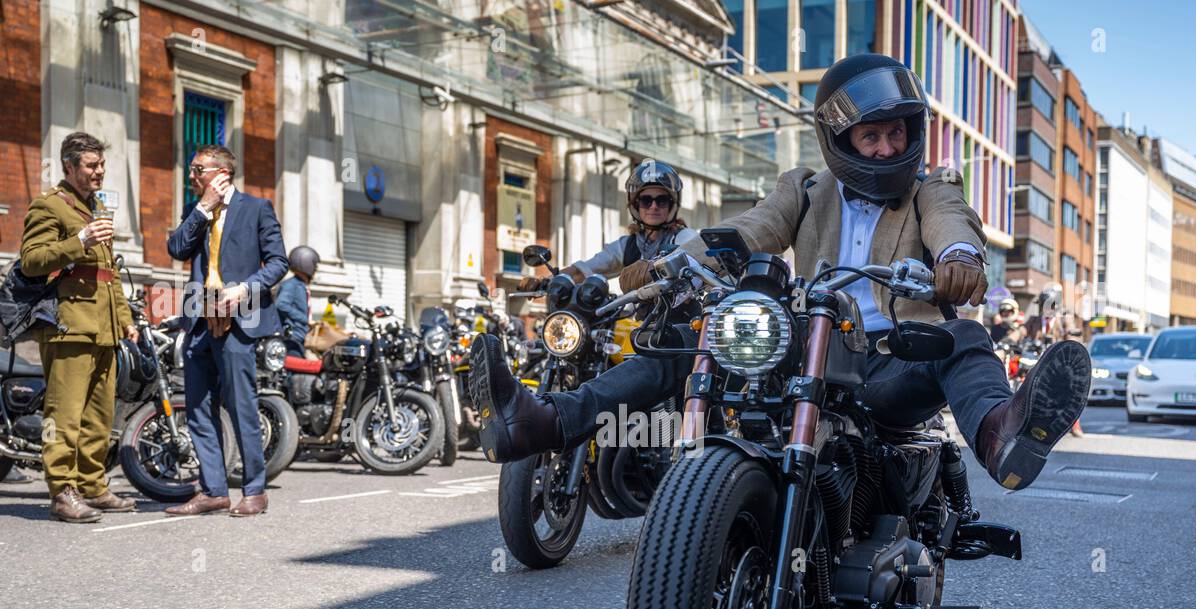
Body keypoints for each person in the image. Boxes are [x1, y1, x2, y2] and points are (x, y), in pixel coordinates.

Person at [471, 54, 1090, 492]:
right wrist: (666, 271)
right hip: (811, 345)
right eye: (870, 135)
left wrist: (959, 260)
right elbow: (749, 231)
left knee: (964, 339)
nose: (884, 147)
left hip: (894, 360)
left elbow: (952, 225)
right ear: (839, 137)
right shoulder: (806, 188)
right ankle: (542, 421)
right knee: (683, 342)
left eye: (895, 133)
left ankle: (1001, 432)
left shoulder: (931, 189)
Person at [19, 131, 138, 523]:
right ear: (69, 166)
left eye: (101, 164)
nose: (99, 171)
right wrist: (80, 240)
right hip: (68, 324)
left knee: (99, 414)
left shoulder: (96, 206)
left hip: (103, 326)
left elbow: (109, 273)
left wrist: (125, 318)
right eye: (91, 165)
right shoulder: (49, 206)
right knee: (63, 414)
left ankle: (92, 485)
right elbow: (32, 260)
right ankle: (61, 490)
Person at [164, 145, 288, 517]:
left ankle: (255, 490)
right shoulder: (196, 209)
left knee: (241, 406)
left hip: (240, 318)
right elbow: (177, 249)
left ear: (222, 173)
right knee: (199, 408)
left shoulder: (256, 208)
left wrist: (245, 289)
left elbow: (279, 261)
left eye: (198, 169)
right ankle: (213, 490)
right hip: (199, 317)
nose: (191, 176)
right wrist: (202, 209)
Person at [518, 160, 698, 293]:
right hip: (640, 323)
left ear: (672, 205)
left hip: (680, 323)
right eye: (646, 200)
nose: (653, 206)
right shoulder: (627, 245)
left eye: (662, 200)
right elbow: (585, 269)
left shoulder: (683, 238)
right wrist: (545, 281)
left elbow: (698, 254)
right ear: (635, 205)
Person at [276, 245, 318, 356]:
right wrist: (306, 320)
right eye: (314, 264)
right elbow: (281, 304)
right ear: (306, 263)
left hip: (300, 337)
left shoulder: (301, 285)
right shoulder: (291, 285)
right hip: (292, 338)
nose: (315, 269)